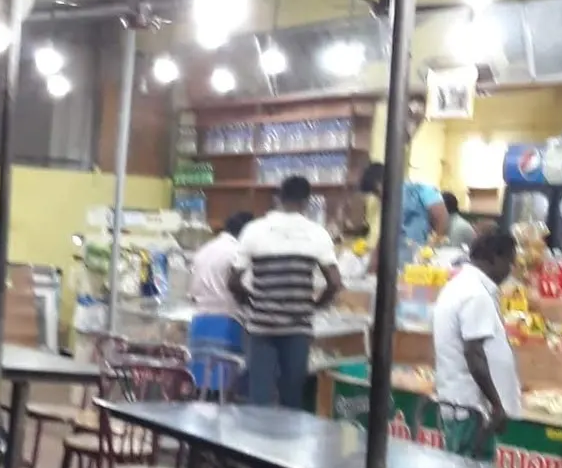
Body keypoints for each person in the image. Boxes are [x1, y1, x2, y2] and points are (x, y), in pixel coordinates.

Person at [229, 177, 342, 410]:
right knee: (292, 400)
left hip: (261, 328)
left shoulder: (254, 230)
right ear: (307, 201)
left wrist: (251, 301)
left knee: (259, 400)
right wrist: (316, 305)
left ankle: (256, 434)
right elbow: (334, 282)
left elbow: (233, 281)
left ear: (278, 198)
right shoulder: (317, 234)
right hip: (298, 328)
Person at [432, 226, 521, 434]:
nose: (510, 270)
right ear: (495, 258)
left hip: (462, 406)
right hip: (471, 411)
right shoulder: (475, 294)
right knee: (469, 456)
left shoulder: (461, 285)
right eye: (509, 262)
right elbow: (474, 355)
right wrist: (497, 405)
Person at [361, 162, 448, 265]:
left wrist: (430, 248)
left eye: (376, 191)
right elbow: (385, 233)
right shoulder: (387, 203)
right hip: (397, 260)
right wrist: (374, 262)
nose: (378, 196)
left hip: (421, 257)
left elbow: (441, 217)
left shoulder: (420, 191)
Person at [189, 212, 253, 317]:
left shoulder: (203, 250)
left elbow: (192, 292)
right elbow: (242, 287)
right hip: (230, 318)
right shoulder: (238, 252)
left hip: (199, 317)